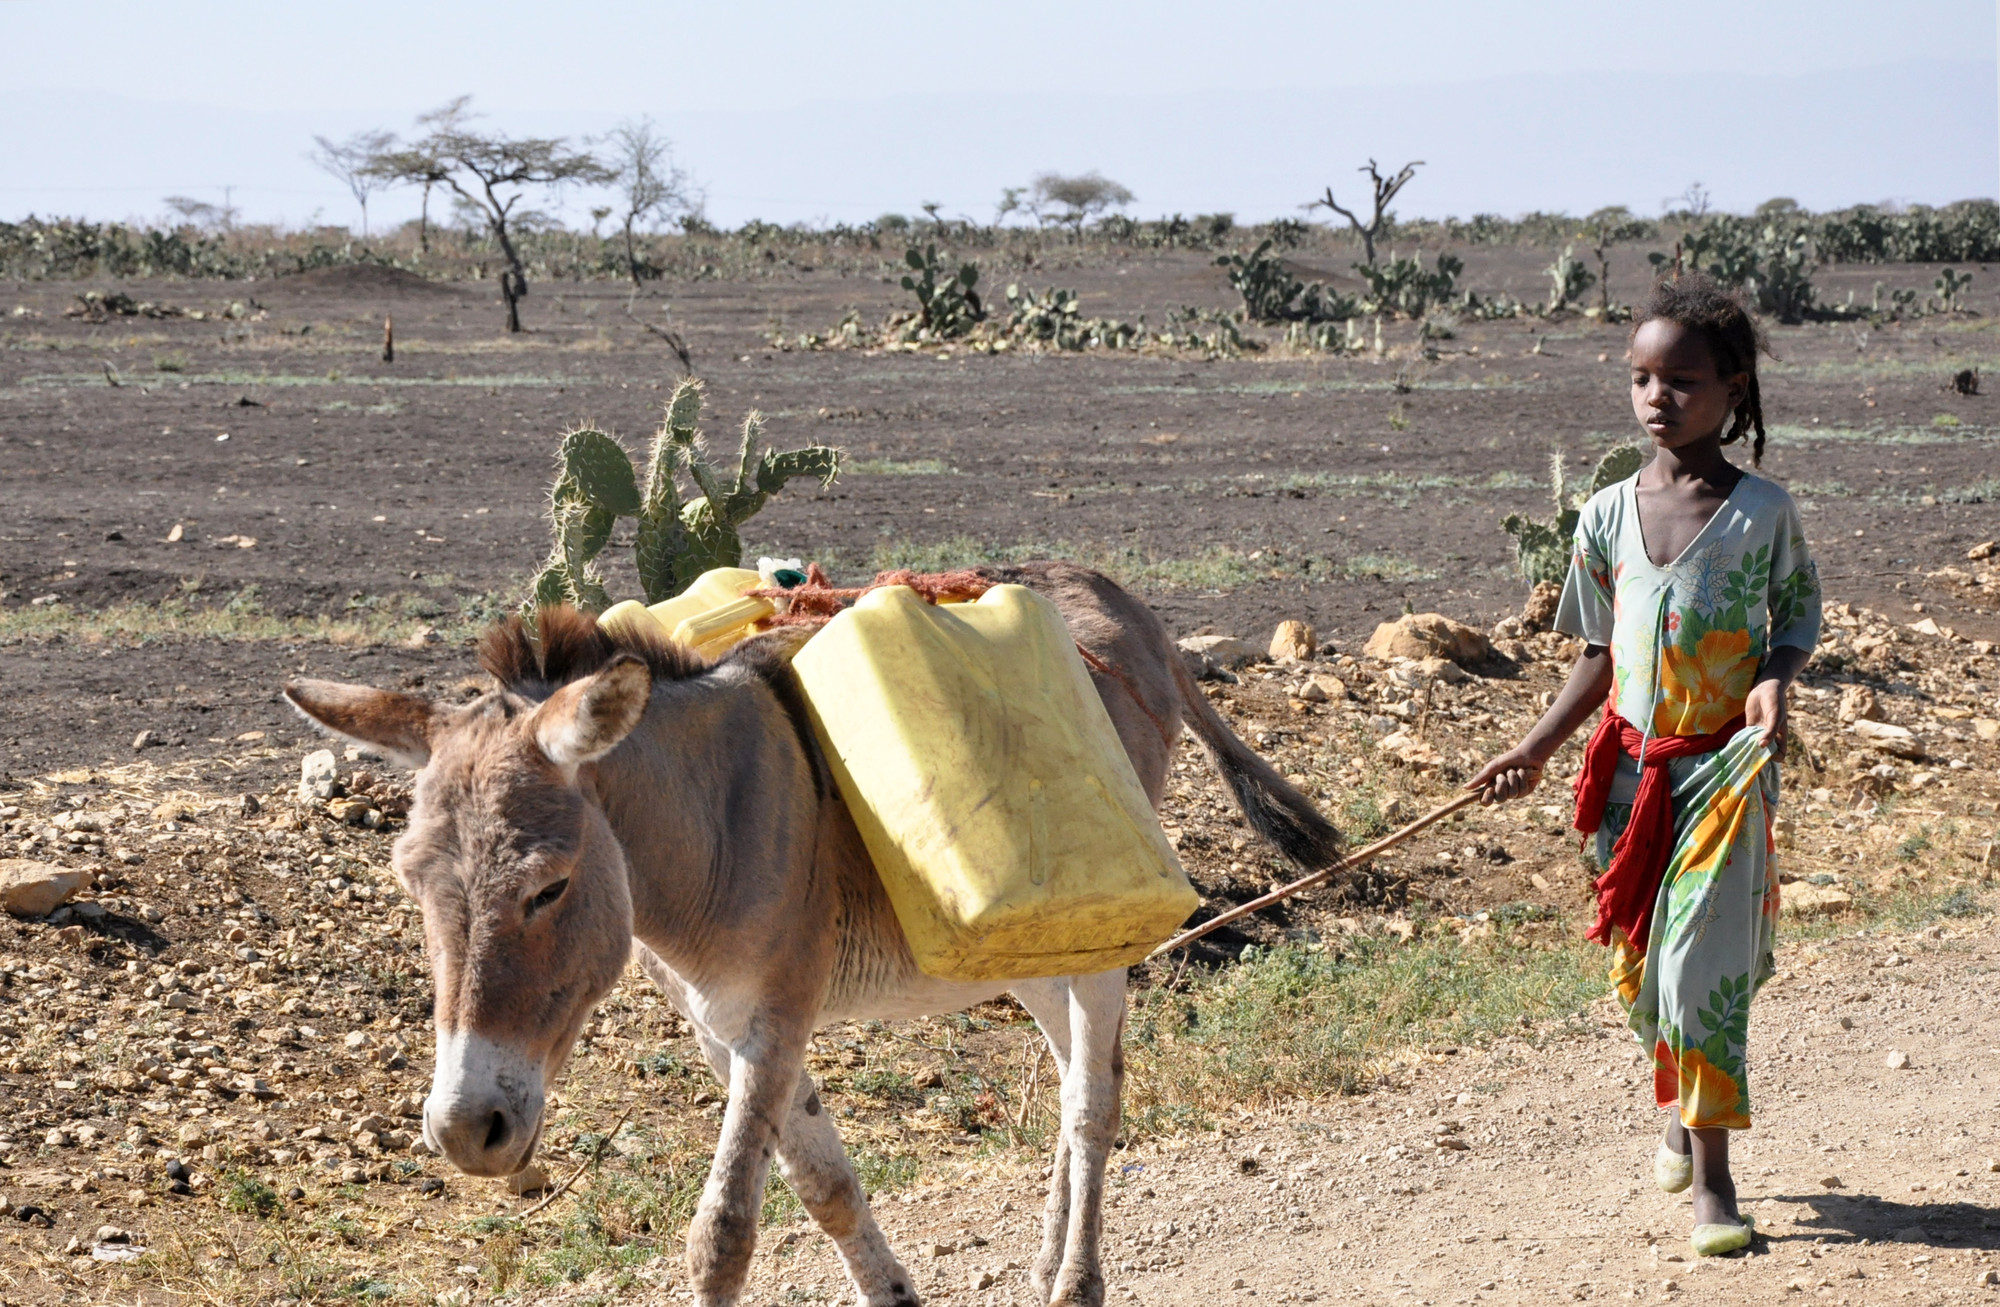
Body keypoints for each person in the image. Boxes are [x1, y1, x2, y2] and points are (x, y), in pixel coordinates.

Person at [1468, 274, 1822, 1258]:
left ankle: (1712, 1181)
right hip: (1624, 773)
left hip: (1721, 769)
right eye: (1639, 378)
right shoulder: (1603, 514)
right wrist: (1533, 747)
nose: (1656, 397)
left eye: (1680, 379)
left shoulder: (1762, 513)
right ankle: (1676, 1097)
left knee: (1695, 967)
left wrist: (1772, 680)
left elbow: (1791, 621)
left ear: (1731, 387)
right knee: (1636, 974)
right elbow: (1594, 652)